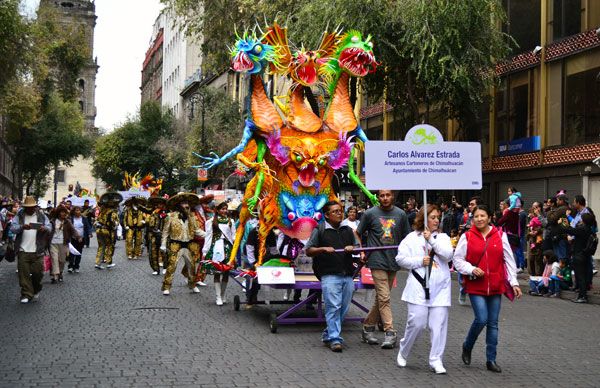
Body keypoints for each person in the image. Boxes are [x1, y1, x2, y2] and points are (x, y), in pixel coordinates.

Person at [452, 204, 522, 373]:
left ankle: (491, 359)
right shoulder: (467, 236)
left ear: (489, 217)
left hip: (496, 286)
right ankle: (467, 345)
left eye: (482, 216)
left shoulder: (500, 235)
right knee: (482, 319)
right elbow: (457, 260)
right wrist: (471, 269)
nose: (479, 219)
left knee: (493, 324)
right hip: (476, 285)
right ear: (472, 218)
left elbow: (509, 260)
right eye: (476, 216)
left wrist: (514, 282)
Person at [395, 204, 453, 374]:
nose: (436, 220)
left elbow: (447, 255)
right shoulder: (411, 238)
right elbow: (400, 259)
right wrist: (419, 261)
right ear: (424, 218)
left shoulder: (442, 238)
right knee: (417, 323)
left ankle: (436, 359)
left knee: (439, 325)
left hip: (440, 289)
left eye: (438, 217)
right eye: (432, 217)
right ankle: (404, 350)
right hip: (418, 288)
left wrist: (432, 240)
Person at [306, 200, 363, 352]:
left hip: (347, 274)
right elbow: (308, 250)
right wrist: (322, 249)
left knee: (343, 307)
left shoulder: (348, 230)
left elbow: (358, 248)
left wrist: (354, 248)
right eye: (335, 211)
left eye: (340, 210)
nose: (339, 213)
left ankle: (328, 333)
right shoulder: (320, 229)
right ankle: (335, 339)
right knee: (333, 307)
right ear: (327, 215)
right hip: (329, 275)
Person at [356, 189, 411, 349]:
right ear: (378, 197)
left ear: (392, 196)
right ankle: (390, 332)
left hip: (393, 260)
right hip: (376, 260)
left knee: (381, 298)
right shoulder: (370, 214)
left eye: (388, 195)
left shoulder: (401, 214)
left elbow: (407, 238)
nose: (385, 198)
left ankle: (367, 328)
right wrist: (362, 251)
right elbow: (357, 233)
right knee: (385, 297)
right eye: (382, 195)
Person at [160, 193, 205, 296]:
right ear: (179, 204)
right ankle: (166, 287)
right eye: (184, 203)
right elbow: (165, 232)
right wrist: (163, 244)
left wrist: (208, 235)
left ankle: (192, 285)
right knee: (172, 266)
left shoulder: (191, 216)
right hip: (175, 244)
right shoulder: (170, 216)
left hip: (189, 244)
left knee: (192, 266)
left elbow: (196, 230)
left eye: (187, 203)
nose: (186, 205)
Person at [10, 196, 51, 303]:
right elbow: (13, 228)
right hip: (23, 250)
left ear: (35, 207)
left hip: (38, 250)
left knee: (38, 273)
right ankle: (26, 294)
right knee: (23, 274)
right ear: (24, 207)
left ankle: (36, 289)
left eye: (32, 207)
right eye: (28, 207)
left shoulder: (42, 216)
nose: (30, 209)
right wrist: (22, 227)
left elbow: (49, 228)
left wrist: (44, 228)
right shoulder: (19, 216)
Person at [202, 201, 235, 305]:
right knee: (217, 273)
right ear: (217, 210)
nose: (224, 211)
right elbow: (208, 236)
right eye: (222, 209)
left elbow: (233, 236)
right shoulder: (211, 221)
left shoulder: (231, 221)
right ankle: (218, 297)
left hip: (228, 249)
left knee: (226, 273)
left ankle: (223, 294)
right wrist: (205, 251)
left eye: (226, 209)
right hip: (215, 248)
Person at [560, 212, 597, 303]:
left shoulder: (582, 229)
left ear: (584, 221)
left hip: (579, 255)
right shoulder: (590, 230)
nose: (580, 220)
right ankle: (581, 295)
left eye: (581, 219)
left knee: (580, 277)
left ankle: (583, 297)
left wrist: (562, 223)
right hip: (585, 255)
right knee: (582, 277)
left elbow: (569, 230)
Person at [457, 196, 483, 305]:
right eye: (469, 204)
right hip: (466, 244)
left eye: (472, 204)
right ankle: (463, 290)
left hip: (478, 247)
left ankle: (476, 294)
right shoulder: (468, 216)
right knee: (462, 272)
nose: (470, 206)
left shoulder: (482, 217)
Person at [48, 205, 79, 283]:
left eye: (65, 212)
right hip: (53, 243)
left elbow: (73, 230)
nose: (64, 214)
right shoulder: (53, 221)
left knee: (62, 260)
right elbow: (47, 230)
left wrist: (78, 236)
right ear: (58, 213)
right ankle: (54, 276)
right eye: (62, 212)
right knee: (54, 259)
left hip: (63, 243)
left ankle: (60, 273)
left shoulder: (67, 222)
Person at [94, 192, 122, 270]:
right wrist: (115, 225)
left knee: (101, 246)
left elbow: (97, 220)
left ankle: (98, 263)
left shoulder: (102, 210)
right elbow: (114, 221)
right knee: (109, 245)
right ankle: (108, 262)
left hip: (99, 230)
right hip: (107, 231)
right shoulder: (113, 211)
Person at [147, 196, 168, 275]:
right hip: (153, 235)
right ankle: (156, 269)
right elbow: (150, 224)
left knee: (165, 252)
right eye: (158, 204)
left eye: (161, 204)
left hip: (164, 235)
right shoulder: (153, 213)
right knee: (153, 252)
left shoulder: (166, 213)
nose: (159, 205)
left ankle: (165, 267)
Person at [67, 206, 91, 273]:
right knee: (72, 252)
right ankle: (71, 266)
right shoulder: (71, 219)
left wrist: (89, 233)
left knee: (79, 252)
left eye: (79, 210)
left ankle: (77, 266)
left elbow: (88, 227)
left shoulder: (84, 218)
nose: (78, 212)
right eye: (76, 210)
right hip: (73, 238)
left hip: (81, 238)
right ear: (74, 211)